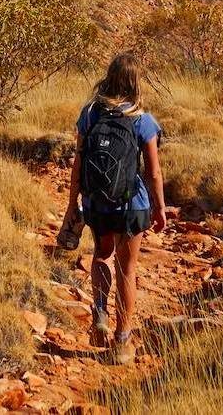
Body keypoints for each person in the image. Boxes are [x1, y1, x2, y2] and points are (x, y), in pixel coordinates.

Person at [64, 52, 166, 365]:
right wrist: (160, 208)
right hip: (131, 204)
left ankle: (99, 312)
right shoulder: (143, 119)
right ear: (136, 82)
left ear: (108, 77)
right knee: (128, 268)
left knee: (101, 254)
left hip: (97, 203)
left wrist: (73, 204)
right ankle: (122, 341)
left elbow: (79, 163)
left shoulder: (90, 113)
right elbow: (153, 172)